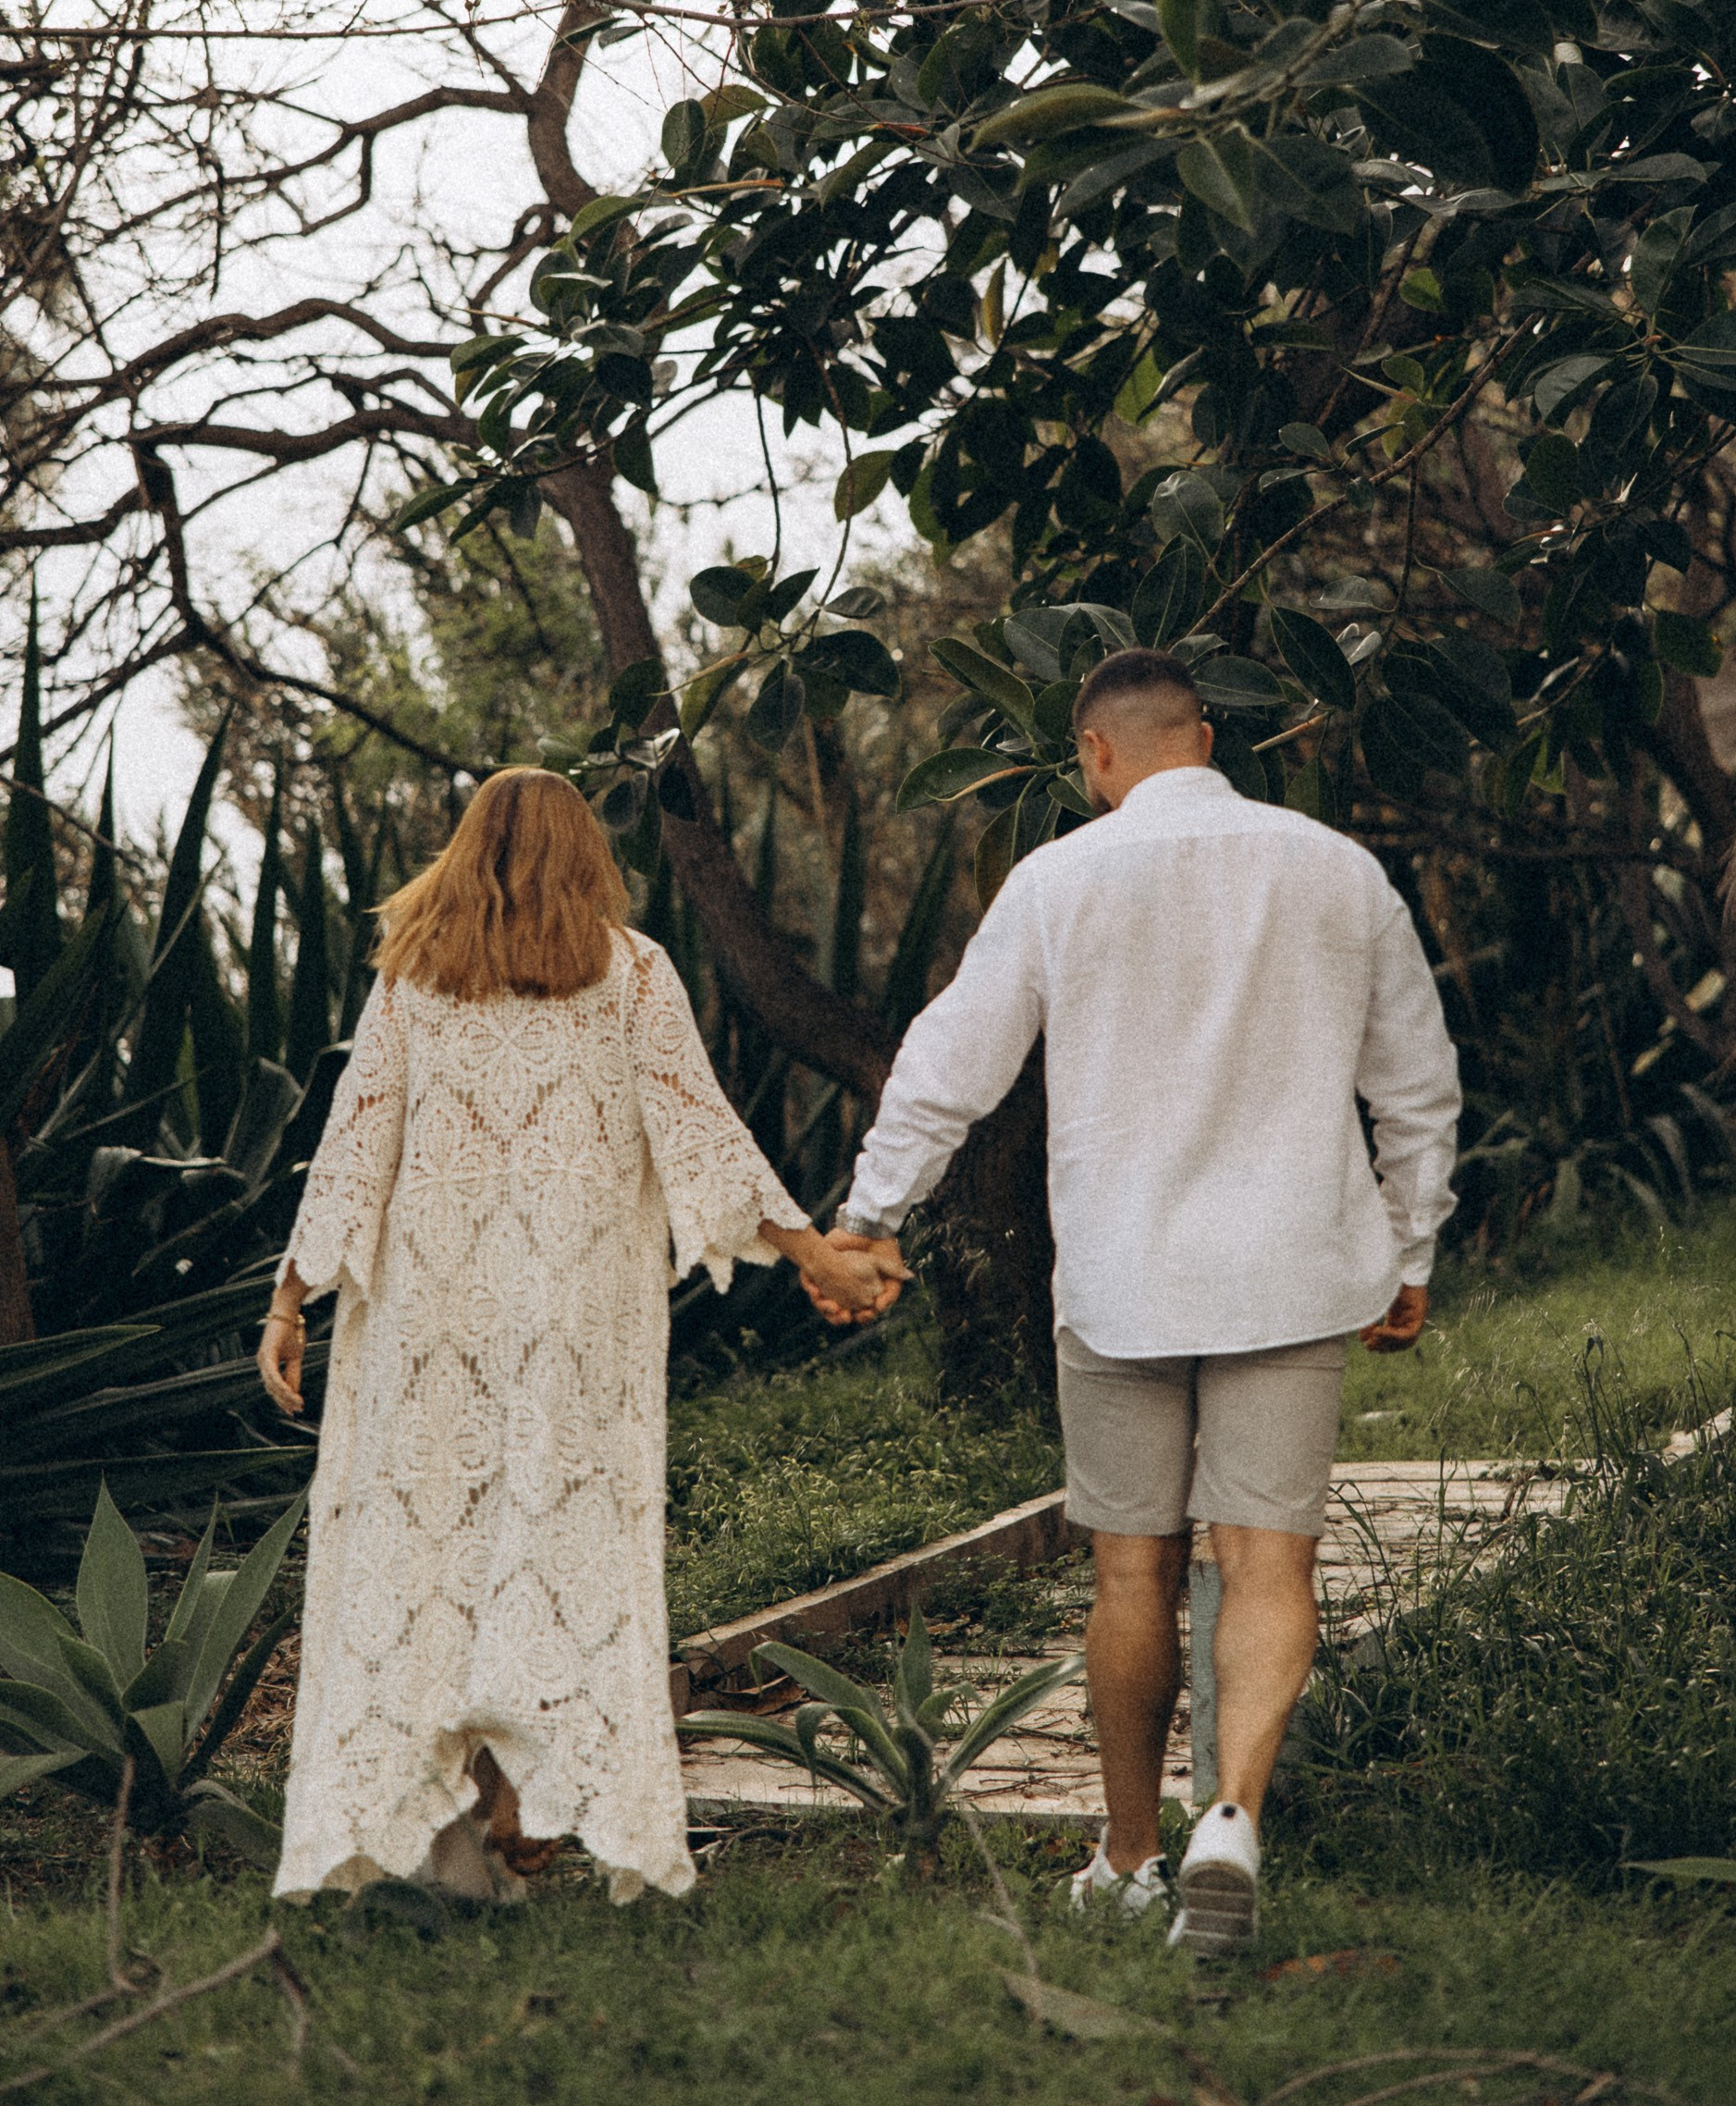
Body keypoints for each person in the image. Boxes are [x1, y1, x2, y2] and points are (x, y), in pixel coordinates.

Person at [820, 647, 1459, 1953]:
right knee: (1269, 1558)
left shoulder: (1057, 880)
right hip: (1291, 1271)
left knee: (1131, 1568)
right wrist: (1412, 1251)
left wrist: (870, 1216)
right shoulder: (1336, 871)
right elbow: (1418, 1082)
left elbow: (953, 1061)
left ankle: (1125, 1860)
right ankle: (1231, 1819)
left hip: (1121, 1280)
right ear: (1208, 740)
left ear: (1094, 755)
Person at [257, 767, 901, 1906]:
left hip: (429, 1330)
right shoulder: (630, 970)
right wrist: (810, 1251)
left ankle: (454, 1827)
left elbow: (353, 1146)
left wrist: (289, 1302)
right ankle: (514, 1802)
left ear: (464, 851)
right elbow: (700, 1132)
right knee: (555, 1549)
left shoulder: (412, 979)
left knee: (432, 1554)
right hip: (574, 1329)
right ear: (585, 855)